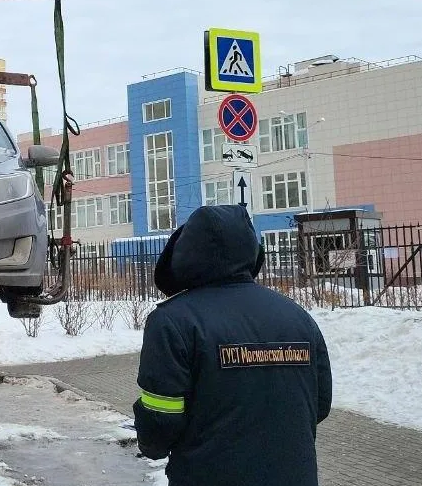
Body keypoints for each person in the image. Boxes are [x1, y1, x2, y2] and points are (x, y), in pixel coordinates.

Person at [133, 205, 332, 486]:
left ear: (186, 253)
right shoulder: (297, 316)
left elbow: (160, 419)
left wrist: (151, 445)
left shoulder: (172, 321)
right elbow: (320, 403)